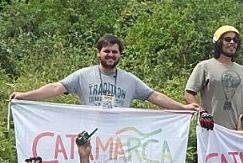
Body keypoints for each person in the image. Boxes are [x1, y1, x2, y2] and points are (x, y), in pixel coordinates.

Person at [10, 34, 197, 111]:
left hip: (119, 136)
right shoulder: (82, 75)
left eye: (115, 52)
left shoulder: (129, 80)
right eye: (107, 51)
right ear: (98, 52)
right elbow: (55, 88)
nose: (110, 55)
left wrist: (183, 108)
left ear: (120, 55)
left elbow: (154, 96)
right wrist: (25, 96)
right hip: (90, 135)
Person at [185, 26, 243, 130]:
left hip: (237, 131)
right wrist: (202, 113)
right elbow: (188, 94)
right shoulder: (204, 66)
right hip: (210, 128)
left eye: (235, 40)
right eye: (227, 39)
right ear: (218, 42)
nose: (232, 42)